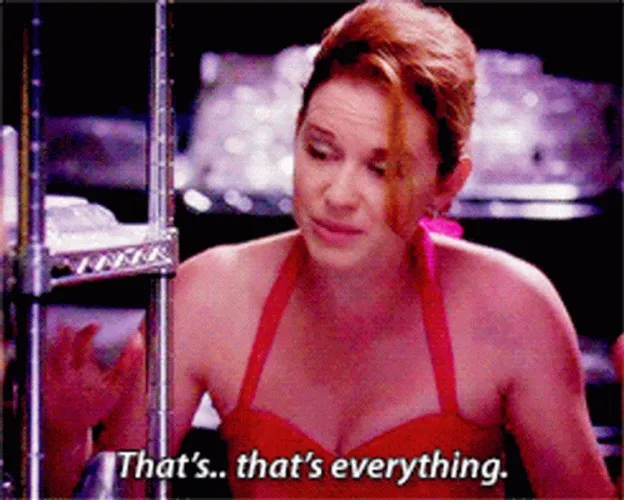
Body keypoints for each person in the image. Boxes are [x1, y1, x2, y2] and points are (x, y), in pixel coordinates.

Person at [43, 0, 618, 497]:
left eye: (383, 168)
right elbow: (116, 491)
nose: (338, 195)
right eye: (320, 151)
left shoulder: (515, 309)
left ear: (447, 184)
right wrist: (65, 434)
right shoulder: (208, 294)